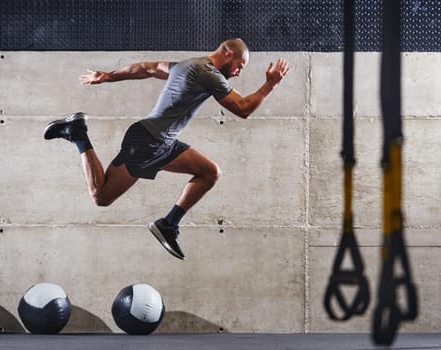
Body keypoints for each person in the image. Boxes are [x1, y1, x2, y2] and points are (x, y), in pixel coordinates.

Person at [44, 38, 289, 260]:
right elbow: (243, 108)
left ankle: (168, 224)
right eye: (240, 66)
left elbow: (147, 68)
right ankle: (78, 134)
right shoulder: (209, 73)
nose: (238, 73)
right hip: (148, 142)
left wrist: (109, 76)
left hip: (162, 142)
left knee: (209, 172)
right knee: (101, 196)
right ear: (227, 53)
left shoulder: (186, 66)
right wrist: (270, 84)